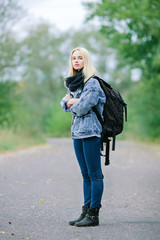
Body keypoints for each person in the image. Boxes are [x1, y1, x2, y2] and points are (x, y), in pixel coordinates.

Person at [60, 47, 106, 227]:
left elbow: (83, 107)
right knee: (85, 175)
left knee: (95, 175)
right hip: (77, 133)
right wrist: (71, 101)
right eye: (74, 58)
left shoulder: (92, 83)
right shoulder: (74, 83)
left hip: (91, 132)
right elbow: (63, 103)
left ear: (86, 60)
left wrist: (71, 102)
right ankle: (85, 211)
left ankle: (94, 215)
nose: (76, 61)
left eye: (80, 58)